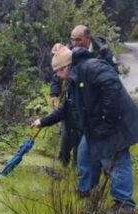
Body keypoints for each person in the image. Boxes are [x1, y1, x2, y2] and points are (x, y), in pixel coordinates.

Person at [34, 44, 138, 214]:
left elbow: (112, 86)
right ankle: (86, 192)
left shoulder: (92, 67)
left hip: (114, 125)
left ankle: (124, 205)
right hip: (95, 128)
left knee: (116, 162)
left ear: (66, 66)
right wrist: (42, 121)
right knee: (84, 155)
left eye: (58, 71)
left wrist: (106, 119)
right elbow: (66, 108)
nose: (57, 76)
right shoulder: (74, 79)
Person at [49, 25, 118, 166]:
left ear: (88, 38)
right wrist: (54, 93)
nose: (75, 43)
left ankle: (79, 167)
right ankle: (63, 165)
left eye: (78, 40)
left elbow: (113, 73)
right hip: (72, 96)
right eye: (72, 39)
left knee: (83, 135)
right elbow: (58, 72)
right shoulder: (69, 50)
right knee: (66, 132)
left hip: (92, 101)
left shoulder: (102, 51)